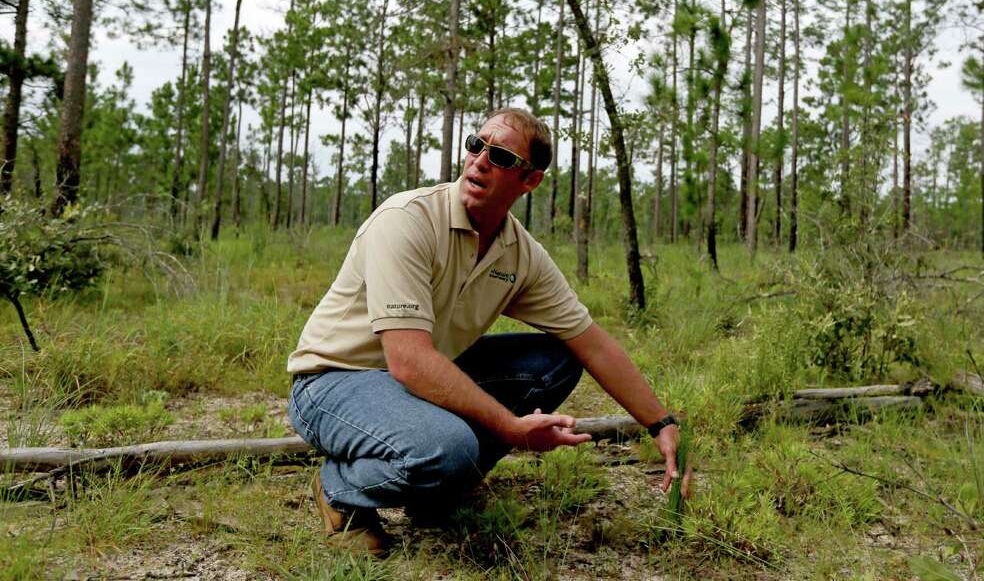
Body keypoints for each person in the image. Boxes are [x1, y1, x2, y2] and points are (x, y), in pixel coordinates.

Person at [287, 107, 686, 557]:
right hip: (334, 382)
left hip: (413, 384)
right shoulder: (408, 220)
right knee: (447, 449)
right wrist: (513, 428)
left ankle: (436, 491)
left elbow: (590, 342)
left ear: (530, 181)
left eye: (500, 156)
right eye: (476, 146)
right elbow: (408, 359)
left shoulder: (520, 255)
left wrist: (661, 423)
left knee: (556, 362)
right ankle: (341, 489)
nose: (479, 161)